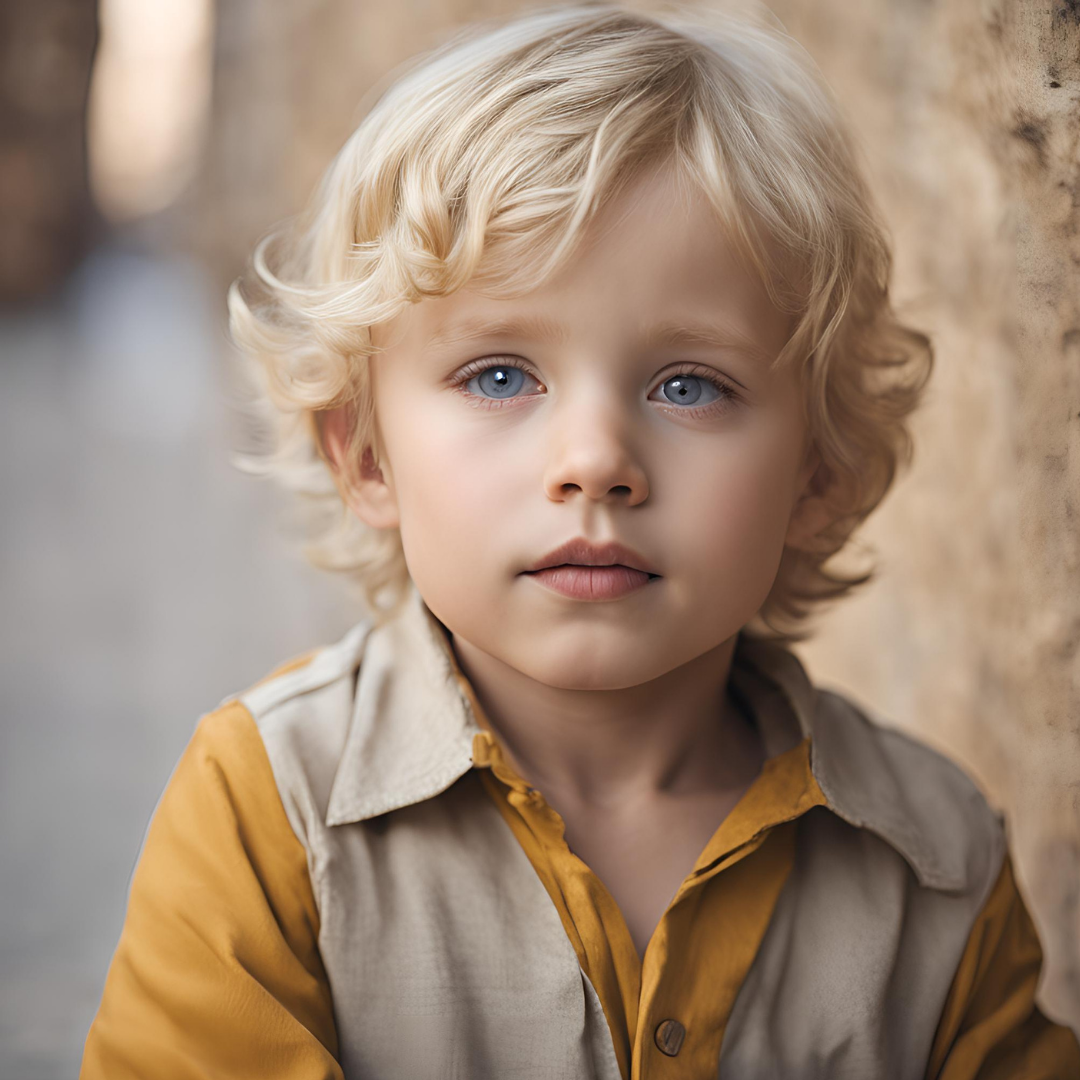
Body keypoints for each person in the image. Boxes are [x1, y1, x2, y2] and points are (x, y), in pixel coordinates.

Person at [80, 3, 1080, 1077]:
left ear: (815, 476)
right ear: (366, 456)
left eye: (689, 384)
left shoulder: (932, 862)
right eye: (500, 375)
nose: (596, 459)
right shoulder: (268, 814)